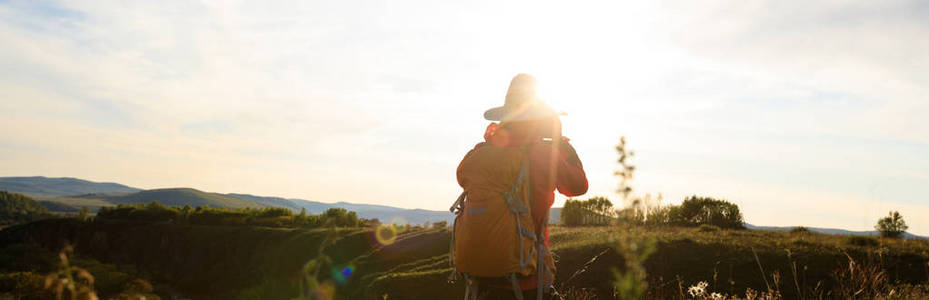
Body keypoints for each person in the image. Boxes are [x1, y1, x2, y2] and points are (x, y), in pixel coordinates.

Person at [454, 74, 588, 299]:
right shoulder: (545, 154)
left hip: (482, 283)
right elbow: (578, 186)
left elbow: (462, 176)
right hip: (529, 282)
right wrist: (560, 142)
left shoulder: (479, 153)